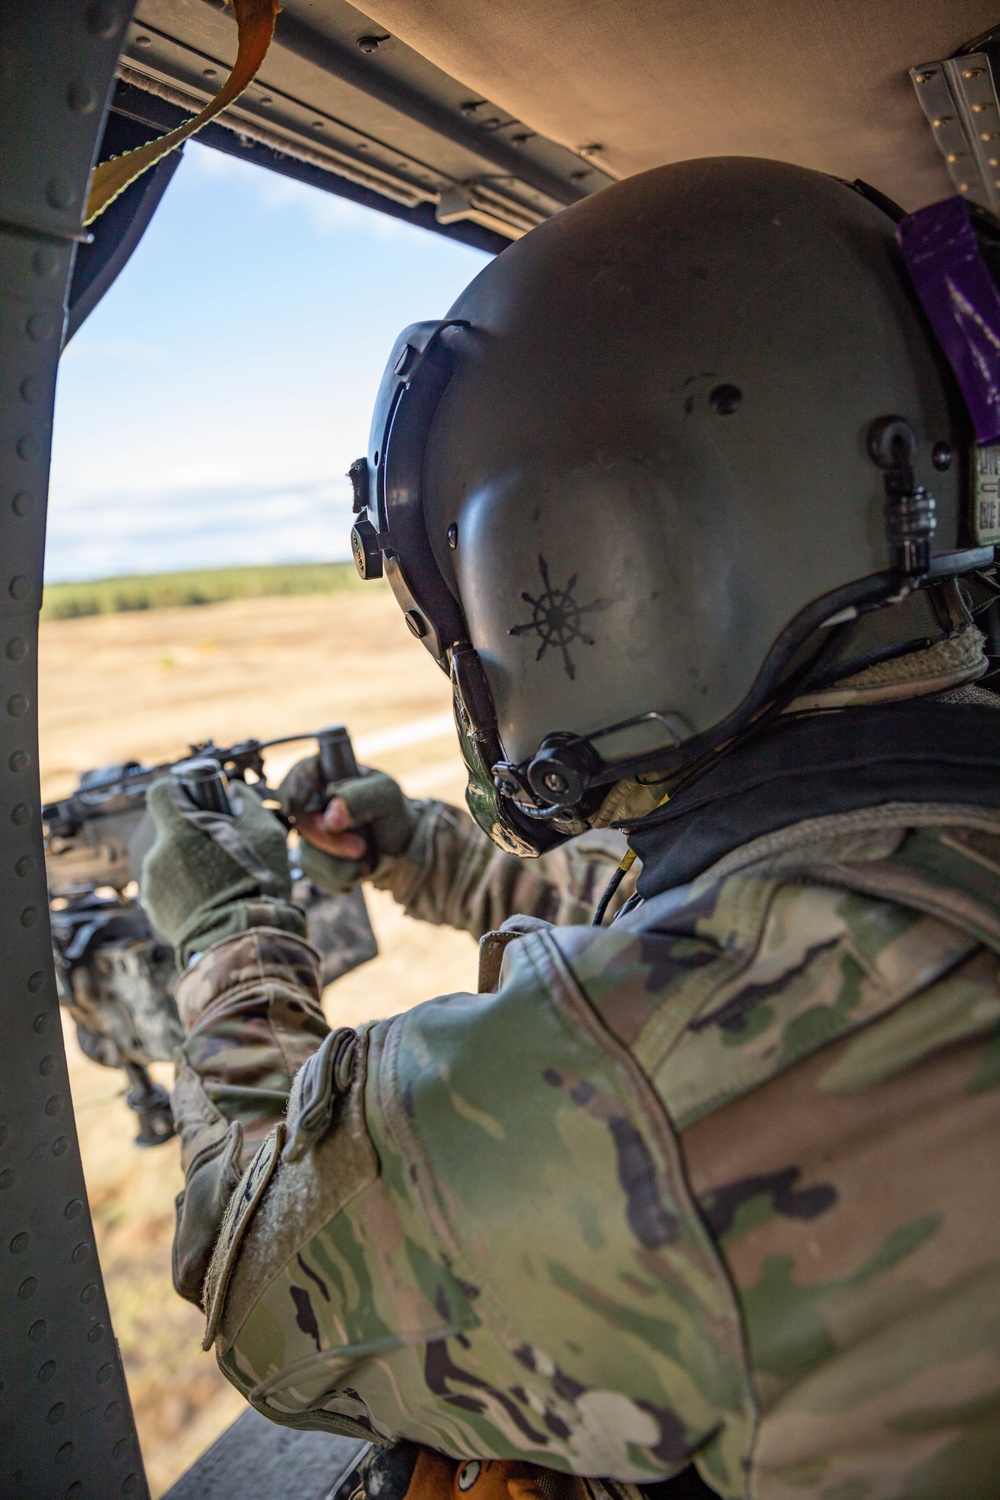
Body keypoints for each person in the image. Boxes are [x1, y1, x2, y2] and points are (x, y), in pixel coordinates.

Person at [142, 159, 1000, 1499]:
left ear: (589, 554)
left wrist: (228, 929)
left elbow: (261, 1265)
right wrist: (427, 857)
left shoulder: (656, 1095)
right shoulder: (932, 809)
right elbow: (709, 927)